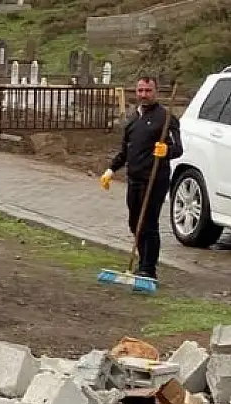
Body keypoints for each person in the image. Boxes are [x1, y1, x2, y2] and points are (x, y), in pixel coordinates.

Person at [100, 75, 183, 281]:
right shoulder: (133, 119)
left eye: (148, 90)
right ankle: (142, 262)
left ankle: (148, 268)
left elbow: (179, 148)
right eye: (140, 90)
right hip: (134, 178)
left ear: (156, 92)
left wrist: (167, 150)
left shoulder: (166, 118)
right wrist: (111, 170)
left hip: (155, 179)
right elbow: (126, 151)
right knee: (134, 222)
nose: (143, 95)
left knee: (149, 223)